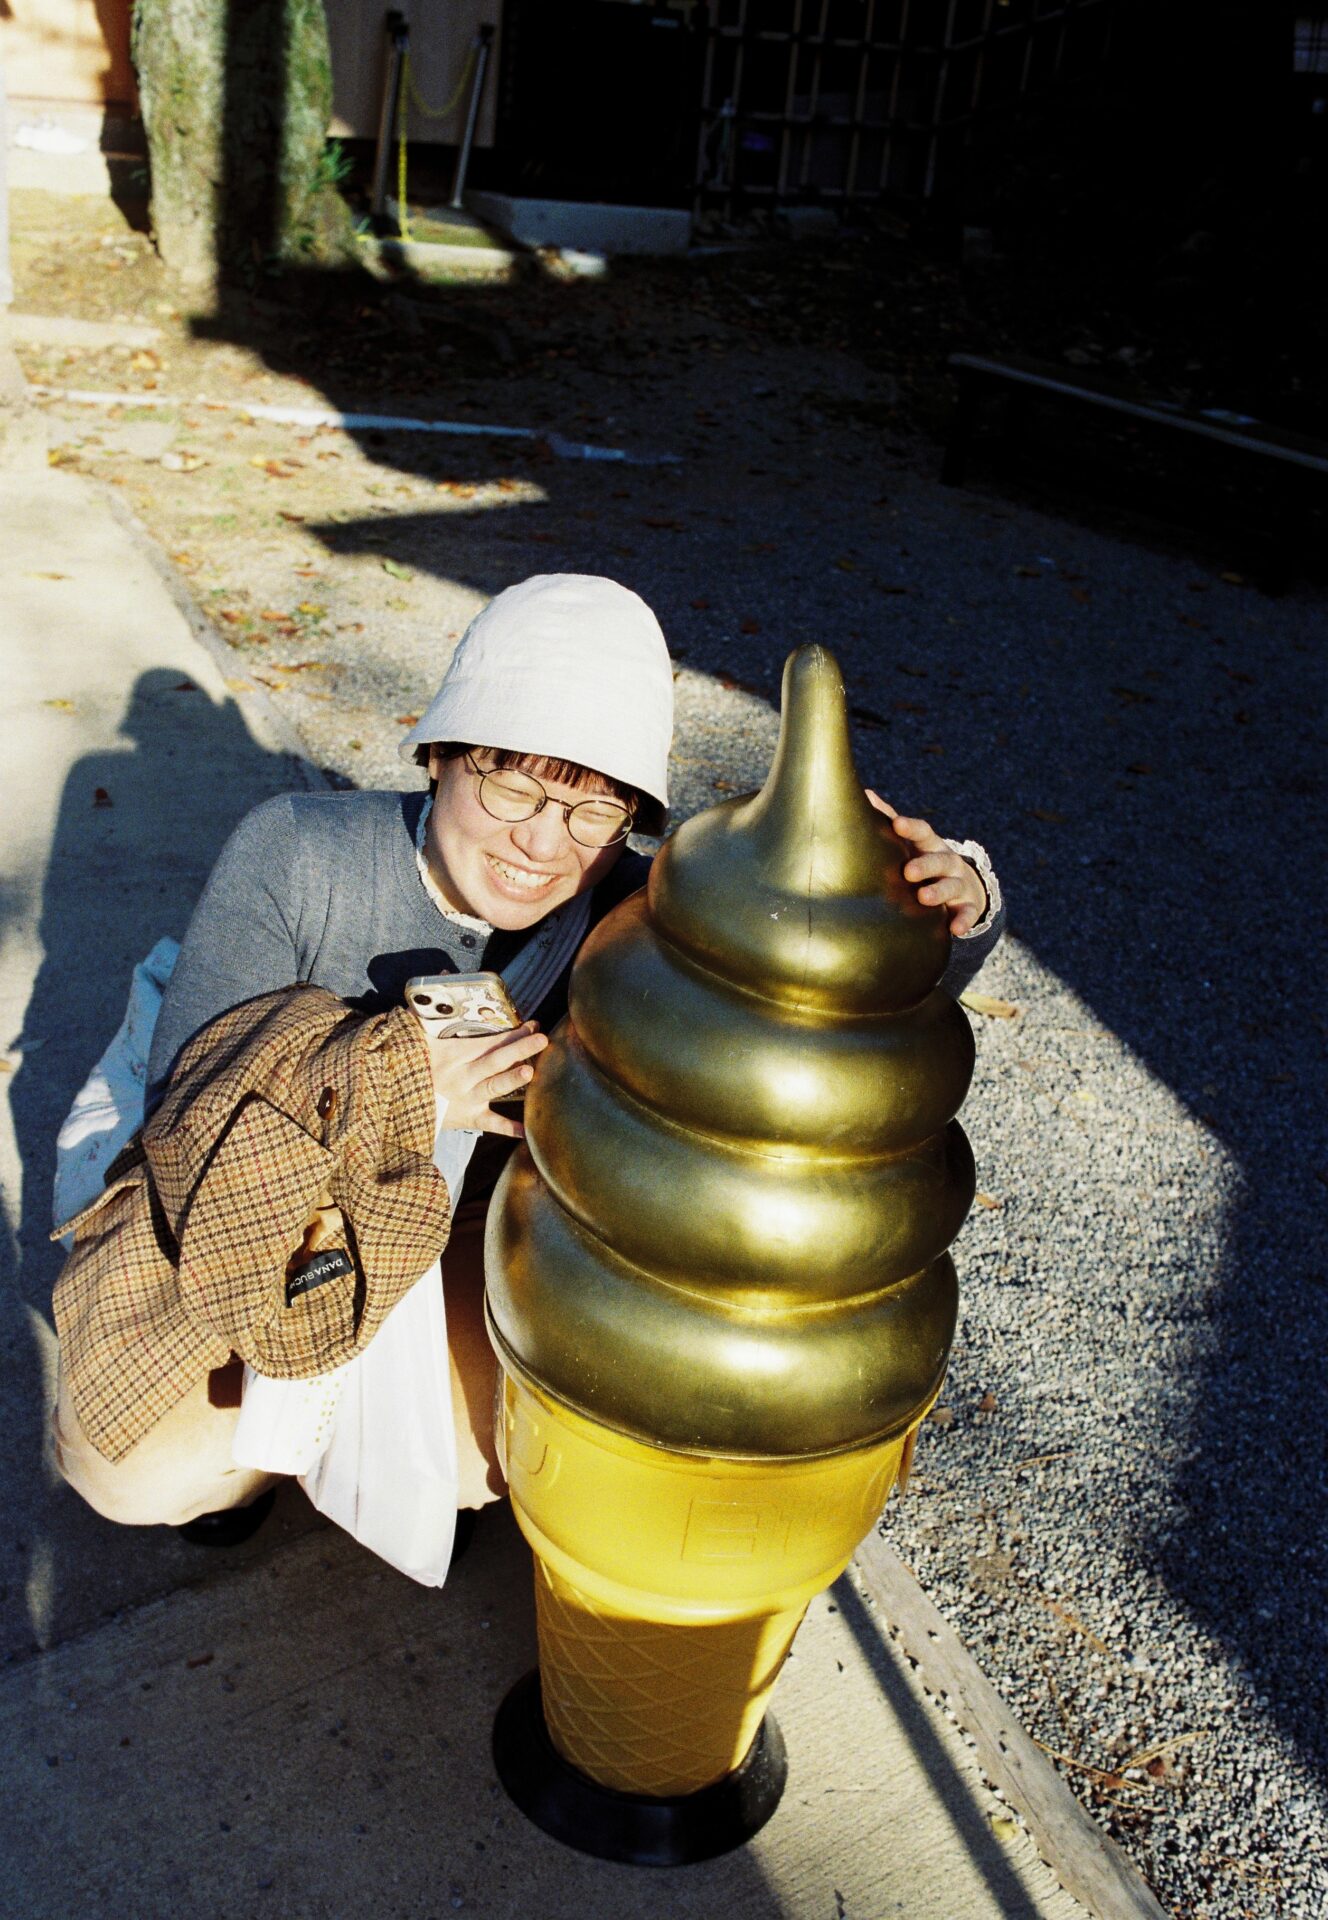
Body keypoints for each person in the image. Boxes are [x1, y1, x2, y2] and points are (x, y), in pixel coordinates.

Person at [51, 573, 1005, 1548]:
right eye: (511, 787)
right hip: (276, 1211)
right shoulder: (297, 853)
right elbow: (186, 1117)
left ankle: (429, 1473)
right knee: (141, 1465)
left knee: (508, 1447)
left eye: (595, 811)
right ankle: (248, 1475)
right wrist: (399, 1080)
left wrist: (941, 910)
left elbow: (811, 1013)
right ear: (439, 757)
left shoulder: (633, 909)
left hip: (464, 1232)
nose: (543, 845)